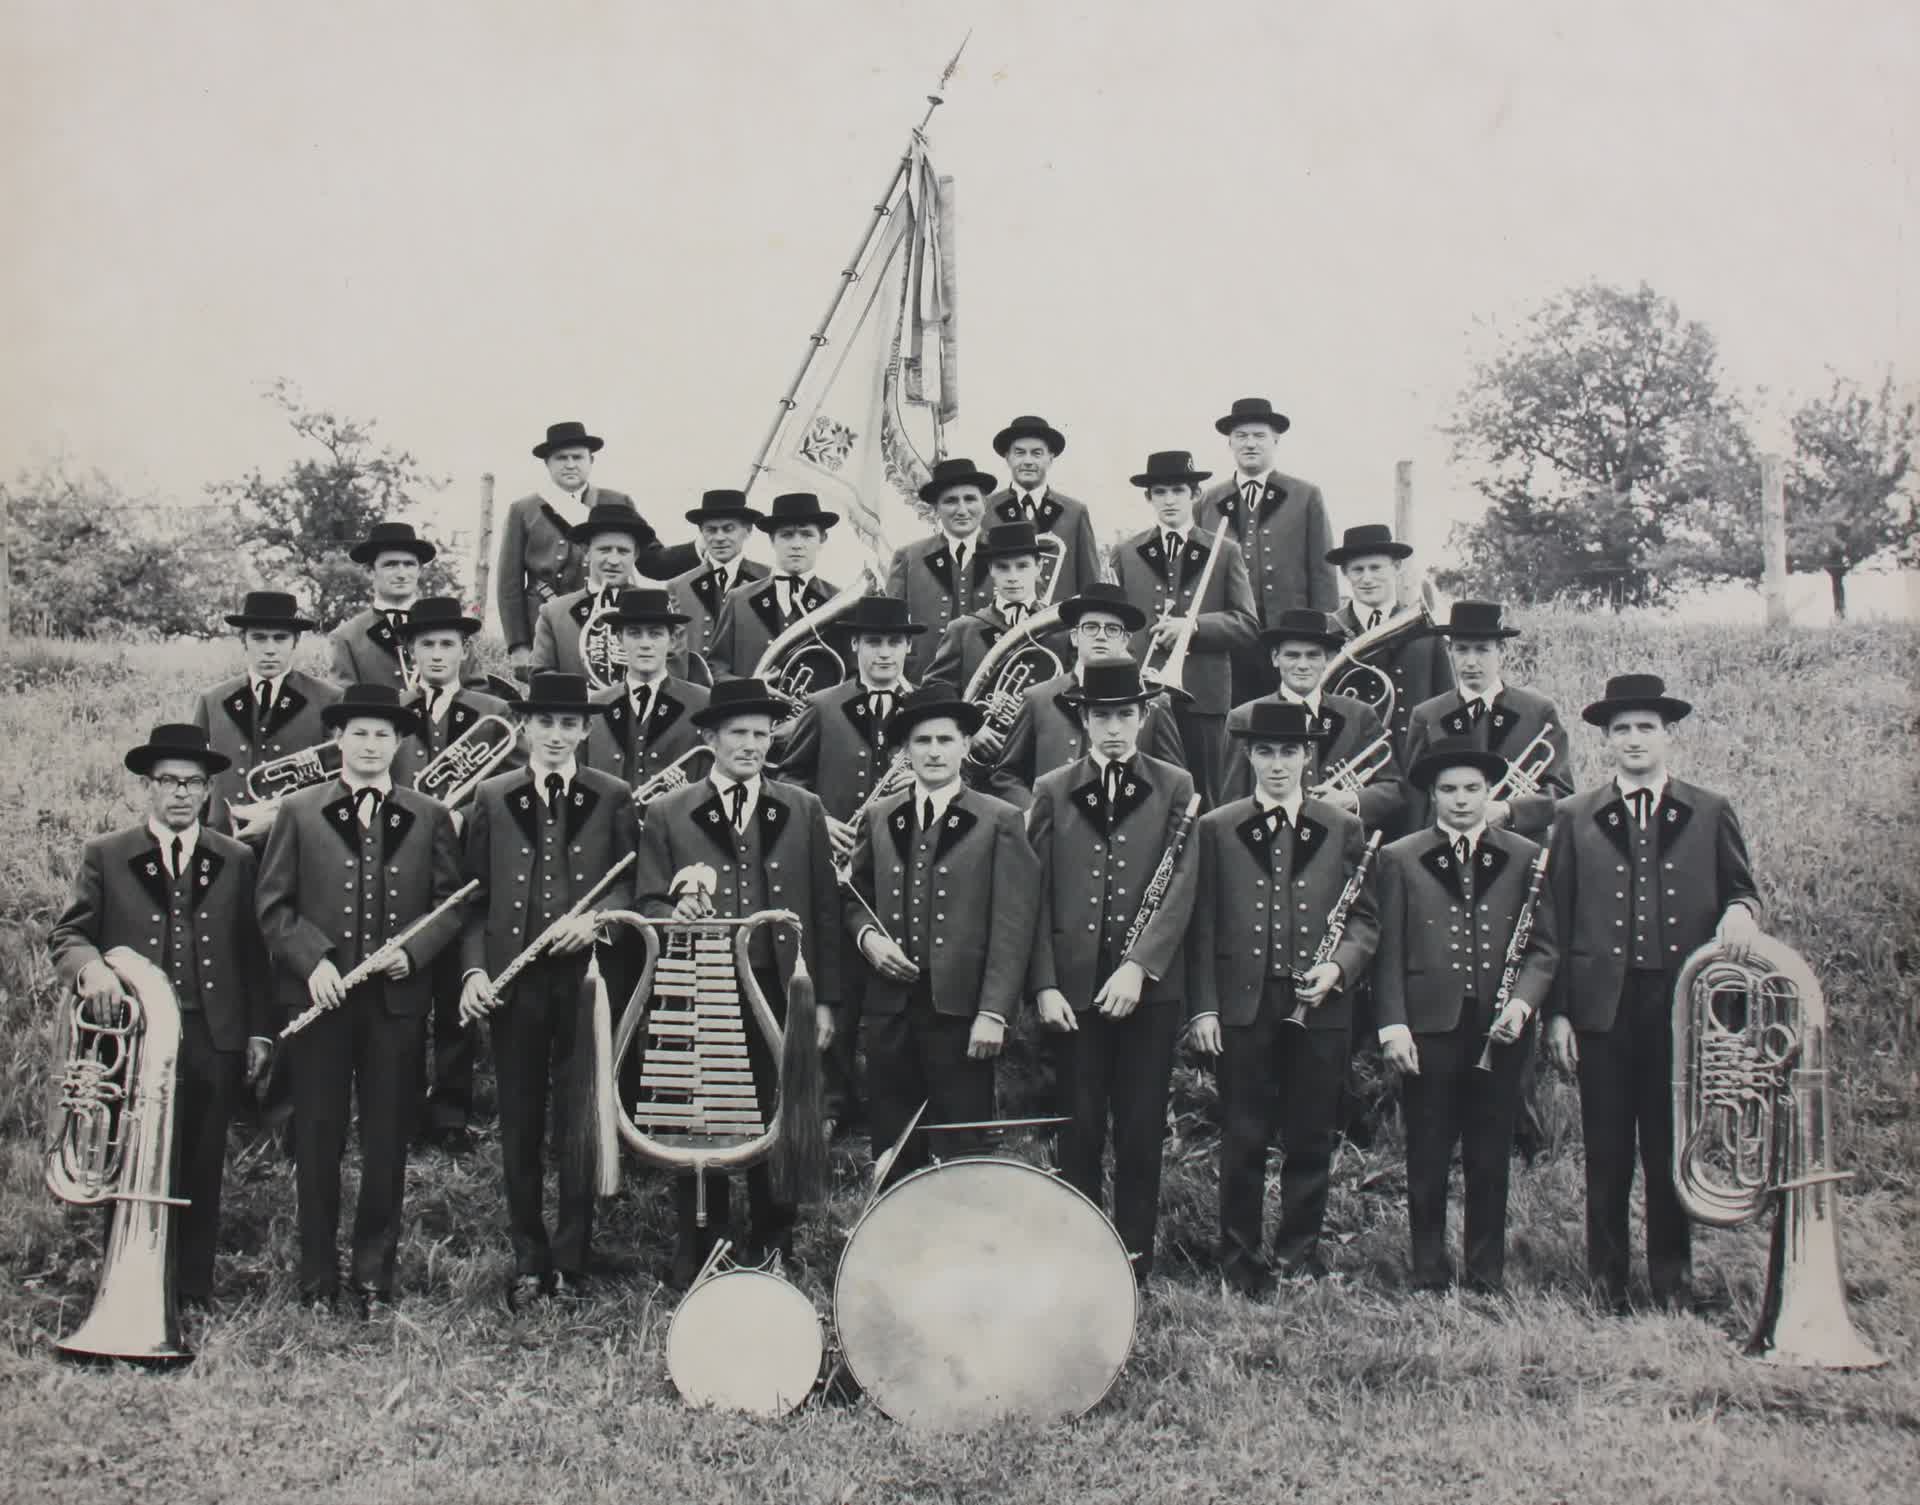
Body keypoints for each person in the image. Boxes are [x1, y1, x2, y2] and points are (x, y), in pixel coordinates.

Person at [1546, 674, 1763, 1312]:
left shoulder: (1710, 808)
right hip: (1602, 1008)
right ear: (1606, 742)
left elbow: (1742, 889)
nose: (1634, 740)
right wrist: (1558, 1014)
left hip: (1680, 1009)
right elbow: (1555, 918)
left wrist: (1743, 914)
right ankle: (1605, 1282)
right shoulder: (1574, 814)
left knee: (1671, 1148)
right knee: (1607, 1150)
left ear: (1666, 736)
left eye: (1645, 727)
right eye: (1621, 730)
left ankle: (1672, 1280)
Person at [254, 684, 466, 1315]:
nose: (370, 745)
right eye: (359, 733)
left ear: (398, 743)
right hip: (321, 1003)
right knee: (317, 1138)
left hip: (396, 1006)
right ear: (338, 740)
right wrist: (311, 959)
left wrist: (416, 951)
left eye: (382, 735)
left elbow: (451, 905)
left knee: (385, 1139)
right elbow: (272, 906)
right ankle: (318, 1277)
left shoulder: (429, 814)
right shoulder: (298, 809)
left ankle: (374, 1273)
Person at [48, 724, 274, 1307]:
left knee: (202, 1161)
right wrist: (91, 970)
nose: (180, 793)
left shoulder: (237, 857)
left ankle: (189, 1292)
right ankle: (122, 1287)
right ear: (147, 786)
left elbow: (254, 952)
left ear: (207, 791)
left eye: (193, 783)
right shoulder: (108, 853)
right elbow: (69, 934)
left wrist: (256, 1032)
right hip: (136, 1035)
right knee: (128, 1158)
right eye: (169, 781)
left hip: (212, 1032)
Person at [631, 678, 840, 1283]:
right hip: (705, 986)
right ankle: (702, 1244)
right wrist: (676, 914)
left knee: (781, 1112)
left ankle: (773, 1242)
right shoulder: (669, 811)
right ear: (710, 738)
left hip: (780, 987)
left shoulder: (803, 808)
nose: (751, 745)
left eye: (761, 733)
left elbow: (825, 911)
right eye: (738, 734)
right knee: (707, 1113)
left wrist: (824, 1002)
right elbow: (646, 900)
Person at [458, 673, 639, 1309]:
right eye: (546, 723)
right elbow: (471, 900)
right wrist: (474, 971)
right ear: (525, 727)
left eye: (570, 724)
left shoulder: (613, 795)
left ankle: (572, 1260)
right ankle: (528, 1259)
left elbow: (632, 884)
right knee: (521, 1122)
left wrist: (598, 919)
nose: (558, 735)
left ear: (586, 730)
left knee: (579, 1120)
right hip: (514, 984)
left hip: (588, 980)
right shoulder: (491, 794)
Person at [1188, 700, 1379, 1295]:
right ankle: (1238, 1262)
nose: (1277, 764)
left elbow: (1365, 921)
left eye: (1289, 752)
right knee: (1243, 1133)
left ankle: (1299, 1255)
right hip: (1244, 1005)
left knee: (1310, 1132)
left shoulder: (1342, 826)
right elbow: (1199, 925)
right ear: (1249, 755)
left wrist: (1339, 968)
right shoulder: (1217, 827)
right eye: (1266, 752)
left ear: (1307, 756)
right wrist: (1204, 1006)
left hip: (1318, 1005)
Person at [1027, 661, 1197, 1286]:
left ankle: (1132, 1265)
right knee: (1078, 1127)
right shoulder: (1051, 787)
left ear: (1144, 715)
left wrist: (1138, 968)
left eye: (1127, 714)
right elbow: (1032, 896)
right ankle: (1078, 1259)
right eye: (1103, 715)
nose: (1116, 726)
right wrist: (1043, 983)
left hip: (1146, 992)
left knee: (1141, 1124)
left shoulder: (1177, 785)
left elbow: (1182, 888)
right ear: (1083, 718)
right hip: (1072, 991)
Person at [1375, 738, 1560, 1294]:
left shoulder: (1526, 855)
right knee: (1427, 1154)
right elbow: (1386, 952)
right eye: (1449, 790)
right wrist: (1393, 1026)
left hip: (1499, 1030)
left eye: (1473, 789)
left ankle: (1486, 1272)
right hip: (1428, 1030)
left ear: (1491, 793)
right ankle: (1428, 1271)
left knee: (1489, 1155)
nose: (1461, 800)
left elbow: (1543, 949)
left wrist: (1523, 1004)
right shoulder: (1399, 857)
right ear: (1432, 795)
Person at [842, 683, 1037, 1185]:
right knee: (894, 1142)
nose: (933, 751)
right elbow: (851, 897)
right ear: (903, 751)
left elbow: (1013, 925)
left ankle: (961, 1251)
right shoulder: (879, 817)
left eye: (946, 740)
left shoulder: (1001, 820)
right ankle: (894, 1251)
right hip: (891, 1010)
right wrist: (869, 940)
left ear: (966, 746)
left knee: (963, 1147)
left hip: (963, 1012)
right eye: (922, 741)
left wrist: (994, 1012)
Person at [772, 593, 927, 1127]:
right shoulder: (823, 706)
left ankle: (895, 1102)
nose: (884, 654)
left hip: (909, 869)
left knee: (897, 989)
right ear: (855, 646)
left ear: (908, 647)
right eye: (873, 643)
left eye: (894, 643)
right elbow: (787, 778)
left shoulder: (927, 706)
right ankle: (833, 1100)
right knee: (834, 982)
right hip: (836, 870)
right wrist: (818, 818)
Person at [388, 596, 513, 1146]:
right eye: (426, 645)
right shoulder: (390, 713)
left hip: (465, 868)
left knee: (453, 993)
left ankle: (452, 1112)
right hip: (402, 868)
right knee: (408, 997)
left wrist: (461, 814)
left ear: (464, 651)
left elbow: (509, 787)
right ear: (410, 652)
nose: (437, 655)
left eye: (447, 645)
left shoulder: (493, 713)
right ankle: (405, 1105)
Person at [1112, 450, 1258, 805]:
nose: (1169, 500)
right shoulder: (1126, 553)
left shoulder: (1224, 551)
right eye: (1160, 492)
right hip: (1142, 692)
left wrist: (1192, 627)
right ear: (1149, 498)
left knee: (1205, 794)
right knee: (1146, 793)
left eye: (1178, 490)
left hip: (1203, 696)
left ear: (1195, 495)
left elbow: (1247, 624)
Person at [496, 421, 697, 676]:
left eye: (577, 457)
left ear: (591, 461)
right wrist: (518, 645)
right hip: (548, 624)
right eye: (561, 458)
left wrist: (700, 547)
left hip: (610, 621)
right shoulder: (524, 509)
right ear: (547, 464)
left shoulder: (617, 501)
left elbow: (652, 561)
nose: (570, 464)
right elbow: (509, 583)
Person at [987, 585, 1185, 811]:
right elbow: (1006, 774)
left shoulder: (1155, 702)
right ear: (1074, 637)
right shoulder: (1038, 698)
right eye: (1091, 627)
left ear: (1125, 640)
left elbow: (1173, 780)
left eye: (1112, 629)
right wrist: (1032, 810)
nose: (1101, 636)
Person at [1194, 397, 1339, 703]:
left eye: (1259, 436)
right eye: (1242, 436)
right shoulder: (1208, 501)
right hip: (1229, 641)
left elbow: (1322, 572)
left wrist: (1324, 639)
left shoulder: (1305, 495)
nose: (1250, 444)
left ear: (1275, 440)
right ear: (1230, 443)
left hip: (1290, 639)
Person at [1221, 607, 1406, 829]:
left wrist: (1351, 800)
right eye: (1292, 655)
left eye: (1312, 655)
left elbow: (1394, 790)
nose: (1302, 665)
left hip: (1342, 849)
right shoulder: (1244, 717)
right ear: (1275, 658)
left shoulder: (1359, 714)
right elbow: (1231, 804)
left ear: (1327, 659)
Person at [1402, 600, 1570, 839]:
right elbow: (1416, 802)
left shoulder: (1538, 711)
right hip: (1446, 853)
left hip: (1520, 851)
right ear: (1449, 651)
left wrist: (1510, 810)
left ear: (1502, 650)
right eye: (1461, 649)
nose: (1471, 662)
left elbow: (1562, 794)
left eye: (1482, 649)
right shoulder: (1427, 715)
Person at [190, 590, 343, 836]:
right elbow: (195, 777)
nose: (270, 649)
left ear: (295, 641)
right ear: (243, 641)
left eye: (280, 638)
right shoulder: (213, 700)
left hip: (294, 838)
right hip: (223, 838)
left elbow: (339, 784)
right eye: (259, 638)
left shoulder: (328, 699)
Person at [1326, 524, 1454, 762]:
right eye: (1357, 570)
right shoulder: (1329, 632)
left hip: (1414, 766)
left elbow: (1446, 705)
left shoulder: (1426, 633)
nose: (1367, 578)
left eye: (1376, 568)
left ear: (1396, 567)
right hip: (1347, 766)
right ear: (1345, 573)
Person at [583, 588, 711, 791]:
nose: (645, 644)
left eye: (655, 634)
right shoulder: (595, 706)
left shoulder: (703, 702)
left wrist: (688, 796)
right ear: (619, 639)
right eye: (634, 633)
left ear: (672, 641)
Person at [706, 493, 843, 680]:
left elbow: (850, 674)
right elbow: (715, 669)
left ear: (822, 539)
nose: (796, 544)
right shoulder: (738, 599)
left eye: (806, 535)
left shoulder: (837, 602)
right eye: (787, 535)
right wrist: (752, 688)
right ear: (772, 540)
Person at [886, 456, 996, 680]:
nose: (962, 509)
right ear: (935, 508)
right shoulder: (909, 557)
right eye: (951, 501)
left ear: (985, 505)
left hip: (992, 678)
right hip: (924, 677)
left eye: (970, 499)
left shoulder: (1007, 554)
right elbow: (890, 628)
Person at [926, 520, 1061, 698]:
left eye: (1022, 566)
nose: (1013, 577)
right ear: (991, 569)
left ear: (1039, 567)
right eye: (1002, 567)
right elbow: (936, 692)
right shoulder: (963, 631)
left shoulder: (1059, 627)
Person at [529, 503, 658, 682]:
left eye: (623, 551)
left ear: (635, 556)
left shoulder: (658, 607)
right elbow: (541, 676)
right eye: (604, 550)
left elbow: (676, 673)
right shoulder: (553, 612)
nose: (613, 560)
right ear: (587, 552)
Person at [985, 414, 1103, 605]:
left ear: (1051, 458)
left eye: (1037, 453)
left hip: (1058, 630)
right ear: (1007, 457)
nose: (1028, 461)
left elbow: (1089, 583)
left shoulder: (1074, 512)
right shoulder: (985, 509)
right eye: (1020, 453)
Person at [665, 490, 768, 681]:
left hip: (750, 694)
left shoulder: (768, 580)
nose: (719, 537)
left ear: (748, 531)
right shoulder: (679, 586)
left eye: (728, 529)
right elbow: (674, 655)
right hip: (698, 697)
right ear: (701, 533)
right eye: (711, 530)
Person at [328, 521, 435, 693]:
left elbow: (476, 695)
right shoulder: (346, 637)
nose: (401, 574)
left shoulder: (447, 626)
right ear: (370, 571)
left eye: (409, 564)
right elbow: (343, 700)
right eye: (390, 565)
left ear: (419, 571)